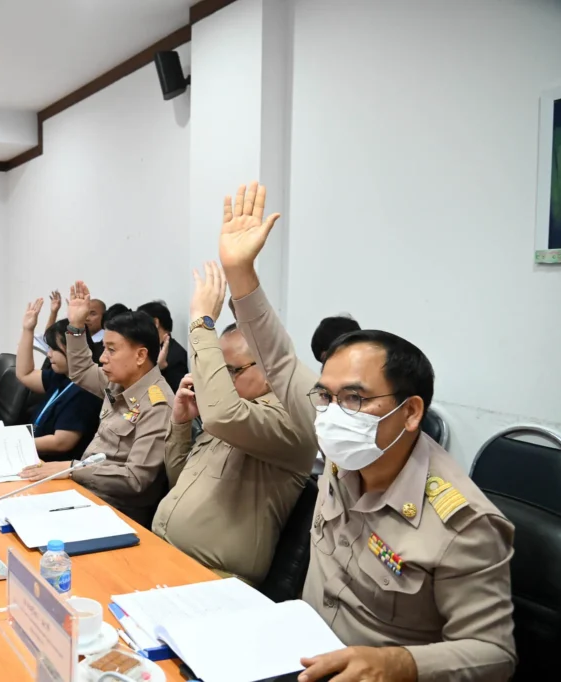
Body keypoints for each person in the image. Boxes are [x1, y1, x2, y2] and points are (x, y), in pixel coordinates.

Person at [218, 181, 516, 681]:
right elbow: (278, 358)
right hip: (290, 658)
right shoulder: (344, 443)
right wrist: (240, 273)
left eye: (355, 398)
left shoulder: (462, 524)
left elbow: (494, 654)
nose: (335, 413)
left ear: (411, 412)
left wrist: (400, 662)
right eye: (328, 396)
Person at [152, 262, 316, 583]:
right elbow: (178, 480)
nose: (223, 380)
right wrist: (181, 424)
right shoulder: (234, 408)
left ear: (269, 368)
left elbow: (224, 416)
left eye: (232, 370)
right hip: (166, 552)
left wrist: (202, 322)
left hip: (215, 577)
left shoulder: (289, 418)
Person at [20, 282, 172, 528]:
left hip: (115, 511)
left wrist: (72, 469)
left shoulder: (158, 405)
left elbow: (135, 479)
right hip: (85, 491)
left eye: (111, 350)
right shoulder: (118, 381)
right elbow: (80, 370)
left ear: (140, 355)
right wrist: (76, 326)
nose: (102, 358)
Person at [16, 299, 102, 462]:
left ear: (74, 348)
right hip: (34, 453)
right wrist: (28, 329)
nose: (49, 354)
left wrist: (19, 443)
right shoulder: (62, 376)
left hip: (54, 465)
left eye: (54, 349)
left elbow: (62, 442)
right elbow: (25, 374)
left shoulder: (86, 389)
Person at [137, 300, 188, 394]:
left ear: (156, 322)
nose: (138, 329)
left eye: (141, 323)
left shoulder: (176, 354)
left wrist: (161, 368)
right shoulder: (151, 349)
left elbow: (177, 393)